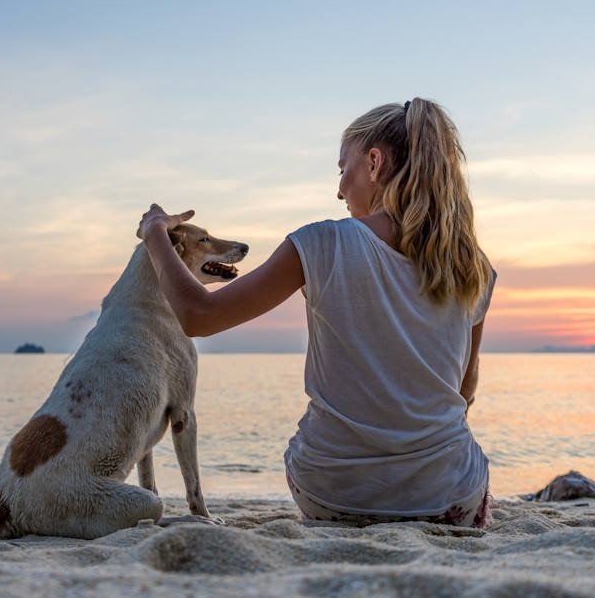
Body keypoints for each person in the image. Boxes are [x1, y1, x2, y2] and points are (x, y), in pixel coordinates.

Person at [135, 97, 496, 528]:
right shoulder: (472, 266)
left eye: (344, 169)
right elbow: (465, 389)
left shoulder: (323, 243)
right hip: (450, 496)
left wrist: (156, 233)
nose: (340, 189)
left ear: (375, 163)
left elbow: (198, 315)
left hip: (333, 491)